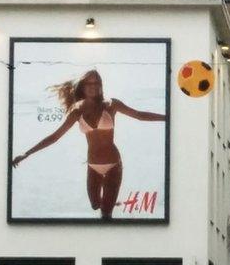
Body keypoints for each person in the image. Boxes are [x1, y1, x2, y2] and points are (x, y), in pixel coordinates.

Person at [12, 70, 166, 219]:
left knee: (106, 215)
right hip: (92, 166)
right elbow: (55, 136)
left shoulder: (112, 105)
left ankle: (109, 207)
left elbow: (139, 115)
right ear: (83, 86)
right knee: (94, 205)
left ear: (101, 85)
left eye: (96, 82)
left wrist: (167, 117)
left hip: (113, 164)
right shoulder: (77, 111)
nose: (93, 86)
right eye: (89, 83)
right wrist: (27, 153)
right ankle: (109, 201)